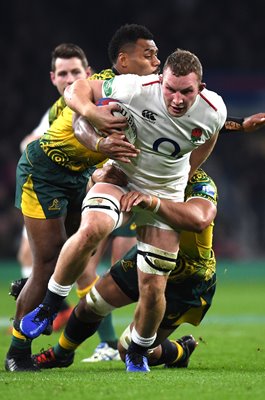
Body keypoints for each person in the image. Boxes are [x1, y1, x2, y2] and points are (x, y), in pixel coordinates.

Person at [19, 48, 227, 373]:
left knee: (153, 286)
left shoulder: (213, 110)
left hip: (163, 194)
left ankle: (138, 351)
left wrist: (185, 173)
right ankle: (49, 305)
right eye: (170, 88)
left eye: (186, 91)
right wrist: (92, 111)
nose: (176, 98)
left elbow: (208, 137)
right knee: (92, 228)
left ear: (200, 88)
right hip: (122, 176)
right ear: (161, 81)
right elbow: (78, 90)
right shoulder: (136, 88)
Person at [4, 24, 160, 373]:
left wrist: (232, 122)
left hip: (77, 176)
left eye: (155, 53)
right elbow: (80, 125)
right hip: (43, 173)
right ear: (124, 60)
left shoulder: (146, 92)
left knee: (79, 257)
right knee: (47, 265)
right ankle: (17, 351)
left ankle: (42, 297)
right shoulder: (105, 86)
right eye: (147, 53)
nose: (156, 59)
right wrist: (100, 144)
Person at [30, 166, 217, 371]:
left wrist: (152, 202)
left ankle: (180, 351)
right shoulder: (149, 170)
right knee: (90, 305)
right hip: (146, 255)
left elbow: (199, 219)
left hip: (187, 277)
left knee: (128, 350)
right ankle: (60, 354)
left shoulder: (200, 182)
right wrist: (96, 177)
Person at [13, 42, 93, 331]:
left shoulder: (96, 99)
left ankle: (45, 299)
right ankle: (42, 310)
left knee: (76, 257)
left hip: (88, 186)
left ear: (88, 73)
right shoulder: (56, 111)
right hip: (51, 186)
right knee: (49, 258)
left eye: (75, 72)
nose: (69, 79)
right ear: (53, 78)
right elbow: (28, 142)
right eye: (63, 74)